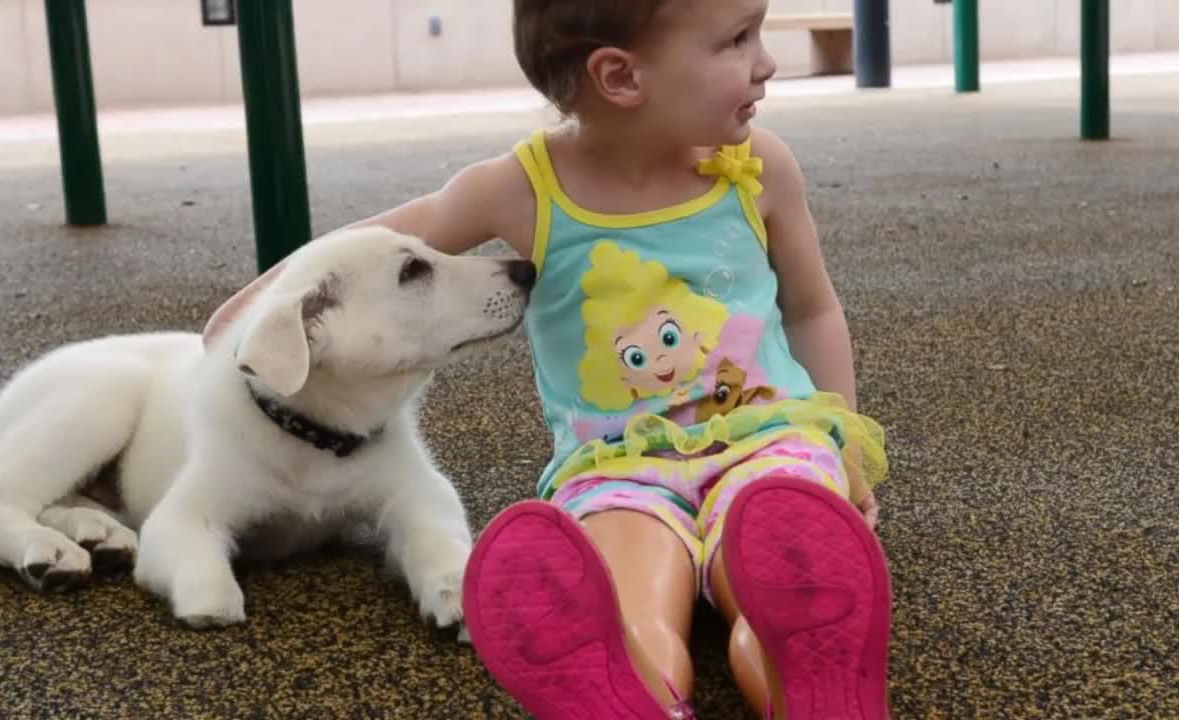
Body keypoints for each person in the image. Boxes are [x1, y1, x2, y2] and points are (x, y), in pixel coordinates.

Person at [203, 1, 893, 717]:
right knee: (631, 596)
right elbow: (375, 241)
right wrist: (253, 315)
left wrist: (838, 436)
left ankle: (807, 669)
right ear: (621, 77)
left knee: (776, 555)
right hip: (621, 467)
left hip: (769, 442)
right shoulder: (522, 189)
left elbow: (812, 309)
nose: (766, 61)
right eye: (736, 40)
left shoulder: (757, 168)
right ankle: (627, 687)